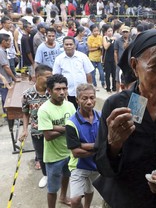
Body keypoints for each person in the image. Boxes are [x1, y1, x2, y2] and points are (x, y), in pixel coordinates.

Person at [93, 29, 156, 208]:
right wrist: (113, 145)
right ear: (135, 66)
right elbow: (102, 167)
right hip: (125, 200)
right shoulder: (117, 105)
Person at [37, 74, 76, 208]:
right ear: (49, 90)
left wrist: (55, 127)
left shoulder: (70, 106)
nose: (62, 92)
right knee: (52, 188)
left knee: (66, 176)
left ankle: (63, 197)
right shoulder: (44, 110)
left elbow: (75, 127)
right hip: (53, 156)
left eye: (64, 89)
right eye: (57, 89)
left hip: (69, 152)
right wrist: (66, 128)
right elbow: (48, 135)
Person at [66, 83, 102, 208]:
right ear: (77, 100)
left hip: (98, 164)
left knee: (89, 190)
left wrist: (83, 145)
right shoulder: (71, 123)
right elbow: (76, 152)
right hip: (79, 166)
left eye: (92, 98)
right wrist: (100, 147)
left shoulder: (101, 117)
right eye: (84, 98)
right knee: (75, 200)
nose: (89, 102)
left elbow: (108, 141)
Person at [19, 65, 53, 188]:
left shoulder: (53, 92)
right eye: (48, 77)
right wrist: (24, 130)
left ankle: (57, 175)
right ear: (38, 77)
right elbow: (25, 113)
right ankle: (46, 175)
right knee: (41, 155)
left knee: (57, 154)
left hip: (54, 131)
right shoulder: (27, 94)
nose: (50, 79)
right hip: (37, 131)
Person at [53, 36, 94, 109]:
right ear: (63, 46)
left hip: (82, 92)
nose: (69, 46)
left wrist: (89, 88)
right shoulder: (59, 59)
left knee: (84, 111)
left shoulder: (82, 56)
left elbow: (88, 73)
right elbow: (56, 77)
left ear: (74, 45)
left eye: (71, 44)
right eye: (66, 44)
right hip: (68, 94)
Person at [0, 33, 21, 115]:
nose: (10, 43)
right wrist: (14, 78)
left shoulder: (3, 51)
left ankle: (7, 115)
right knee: (6, 98)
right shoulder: (1, 52)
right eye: (9, 41)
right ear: (3, 42)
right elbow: (6, 67)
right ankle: (9, 116)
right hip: (3, 80)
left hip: (4, 78)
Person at [87, 24, 105, 89]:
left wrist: (102, 56)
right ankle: (94, 85)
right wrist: (97, 48)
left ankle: (103, 83)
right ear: (91, 31)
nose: (96, 32)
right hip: (92, 58)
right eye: (95, 31)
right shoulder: (90, 38)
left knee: (102, 73)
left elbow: (103, 47)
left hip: (99, 58)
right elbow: (89, 49)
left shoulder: (100, 37)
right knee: (93, 73)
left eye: (97, 30)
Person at [102, 25, 116, 93]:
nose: (110, 32)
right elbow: (105, 47)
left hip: (114, 59)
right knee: (107, 74)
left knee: (114, 74)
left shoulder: (115, 38)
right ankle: (108, 88)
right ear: (106, 32)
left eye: (111, 31)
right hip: (107, 59)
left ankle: (114, 87)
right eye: (108, 31)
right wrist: (111, 40)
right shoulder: (105, 38)